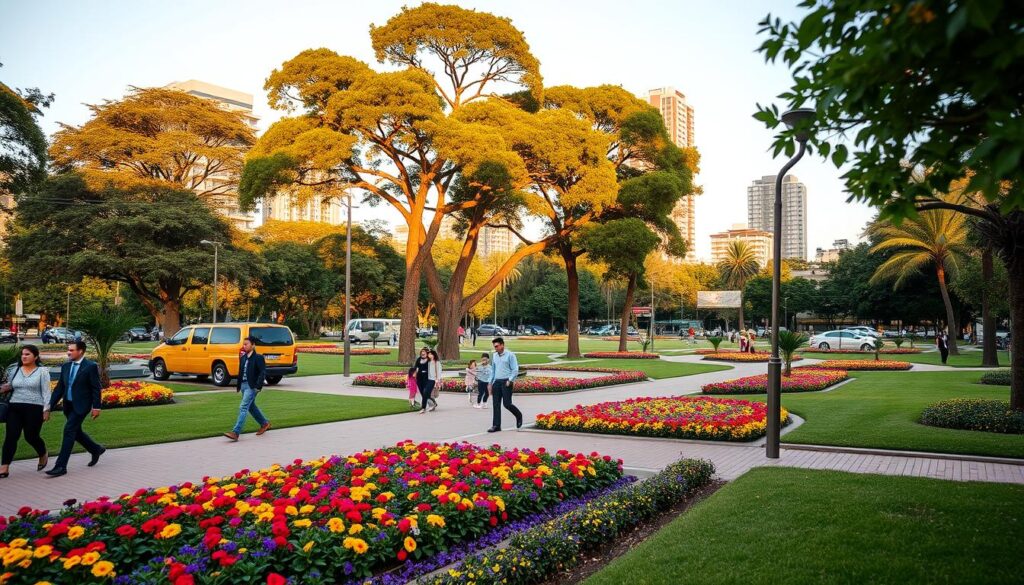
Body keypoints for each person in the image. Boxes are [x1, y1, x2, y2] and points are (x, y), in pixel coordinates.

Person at [46, 340, 105, 477]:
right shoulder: (66, 366)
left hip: (82, 406)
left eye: (72, 350)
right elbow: (60, 388)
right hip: (68, 405)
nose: (69, 352)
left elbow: (96, 388)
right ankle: (96, 449)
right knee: (76, 432)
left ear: (81, 351)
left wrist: (96, 407)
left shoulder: (90, 366)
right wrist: (49, 406)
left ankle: (61, 466)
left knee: (69, 430)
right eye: (68, 349)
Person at [1, 345, 51, 478]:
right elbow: (11, 385)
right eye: (22, 354)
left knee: (31, 436)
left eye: (27, 354)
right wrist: (4, 387)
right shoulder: (15, 370)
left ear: (35, 357)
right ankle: (4, 466)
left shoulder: (42, 371)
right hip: (14, 407)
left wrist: (46, 409)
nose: (24, 356)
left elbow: (46, 391)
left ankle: (42, 453)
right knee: (11, 436)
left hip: (34, 408)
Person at [223, 336, 271, 441]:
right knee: (251, 406)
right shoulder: (243, 357)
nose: (244, 346)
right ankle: (264, 423)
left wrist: (258, 387)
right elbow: (241, 373)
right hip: (244, 386)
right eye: (243, 344)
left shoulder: (258, 357)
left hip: (252, 386)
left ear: (253, 345)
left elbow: (262, 373)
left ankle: (235, 432)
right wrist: (238, 386)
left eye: (246, 344)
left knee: (243, 407)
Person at [486, 337, 523, 433]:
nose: (496, 348)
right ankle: (496, 425)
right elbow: (493, 370)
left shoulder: (510, 355)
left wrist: (510, 380)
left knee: (507, 404)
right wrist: (490, 383)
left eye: (497, 346)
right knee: (496, 404)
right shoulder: (494, 356)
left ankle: (518, 415)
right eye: (494, 346)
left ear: (502, 345)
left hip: (506, 382)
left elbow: (515, 369)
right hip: (496, 382)